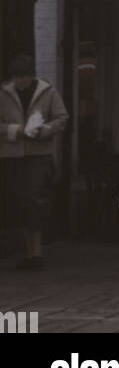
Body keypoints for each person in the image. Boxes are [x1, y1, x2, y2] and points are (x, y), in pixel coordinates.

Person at [0, 54, 69, 271]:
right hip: (13, 154)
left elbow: (61, 118)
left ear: (32, 76)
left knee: (35, 199)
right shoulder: (4, 93)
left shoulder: (48, 92)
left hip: (39, 154)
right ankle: (29, 252)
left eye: (24, 77)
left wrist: (44, 130)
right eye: (17, 77)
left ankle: (36, 252)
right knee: (19, 200)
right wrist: (14, 130)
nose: (20, 82)